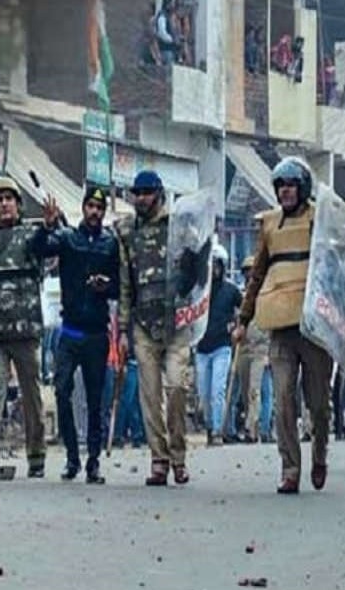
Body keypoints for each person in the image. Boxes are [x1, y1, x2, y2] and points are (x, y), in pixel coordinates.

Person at [234, 157, 332, 494]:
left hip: (314, 326)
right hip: (279, 325)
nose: (285, 190)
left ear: (302, 187)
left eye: (290, 184)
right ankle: (290, 468)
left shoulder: (321, 218)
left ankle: (320, 452)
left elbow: (338, 265)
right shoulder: (269, 225)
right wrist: (243, 319)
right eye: (280, 185)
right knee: (283, 400)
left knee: (318, 403)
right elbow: (257, 275)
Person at [32, 185, 120, 484]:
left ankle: (93, 461)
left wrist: (105, 286)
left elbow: (121, 286)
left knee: (96, 400)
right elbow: (39, 249)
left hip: (97, 333)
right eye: (90, 207)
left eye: (99, 208)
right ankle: (72, 458)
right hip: (69, 331)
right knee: (61, 392)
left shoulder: (111, 244)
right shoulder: (68, 239)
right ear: (83, 209)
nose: (94, 212)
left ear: (103, 212)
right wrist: (46, 225)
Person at [117, 170, 194, 486]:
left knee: (176, 388)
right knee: (150, 397)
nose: (142, 198)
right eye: (137, 193)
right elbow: (125, 284)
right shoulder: (126, 232)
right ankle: (159, 460)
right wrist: (122, 330)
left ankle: (179, 456)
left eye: (147, 192)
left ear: (159, 194)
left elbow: (195, 270)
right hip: (142, 324)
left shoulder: (178, 227)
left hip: (176, 321)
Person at [0, 178, 47, 478]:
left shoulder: (32, 236)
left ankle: (36, 455)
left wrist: (50, 225)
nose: (4, 203)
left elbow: (48, 245)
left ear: (19, 204)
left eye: (9, 198)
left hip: (25, 328)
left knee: (31, 395)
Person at [195, 244, 241, 446]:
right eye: (210, 264)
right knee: (203, 392)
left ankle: (216, 431)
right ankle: (208, 426)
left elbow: (246, 308)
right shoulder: (199, 291)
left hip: (222, 346)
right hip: (201, 347)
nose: (214, 268)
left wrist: (238, 326)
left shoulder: (231, 290)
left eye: (217, 265)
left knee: (217, 390)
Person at [231, 256, 271, 443]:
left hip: (260, 349)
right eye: (247, 271)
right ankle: (251, 423)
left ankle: (252, 429)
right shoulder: (241, 295)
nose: (249, 275)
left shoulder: (266, 295)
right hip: (243, 348)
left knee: (255, 390)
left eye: (252, 271)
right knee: (246, 392)